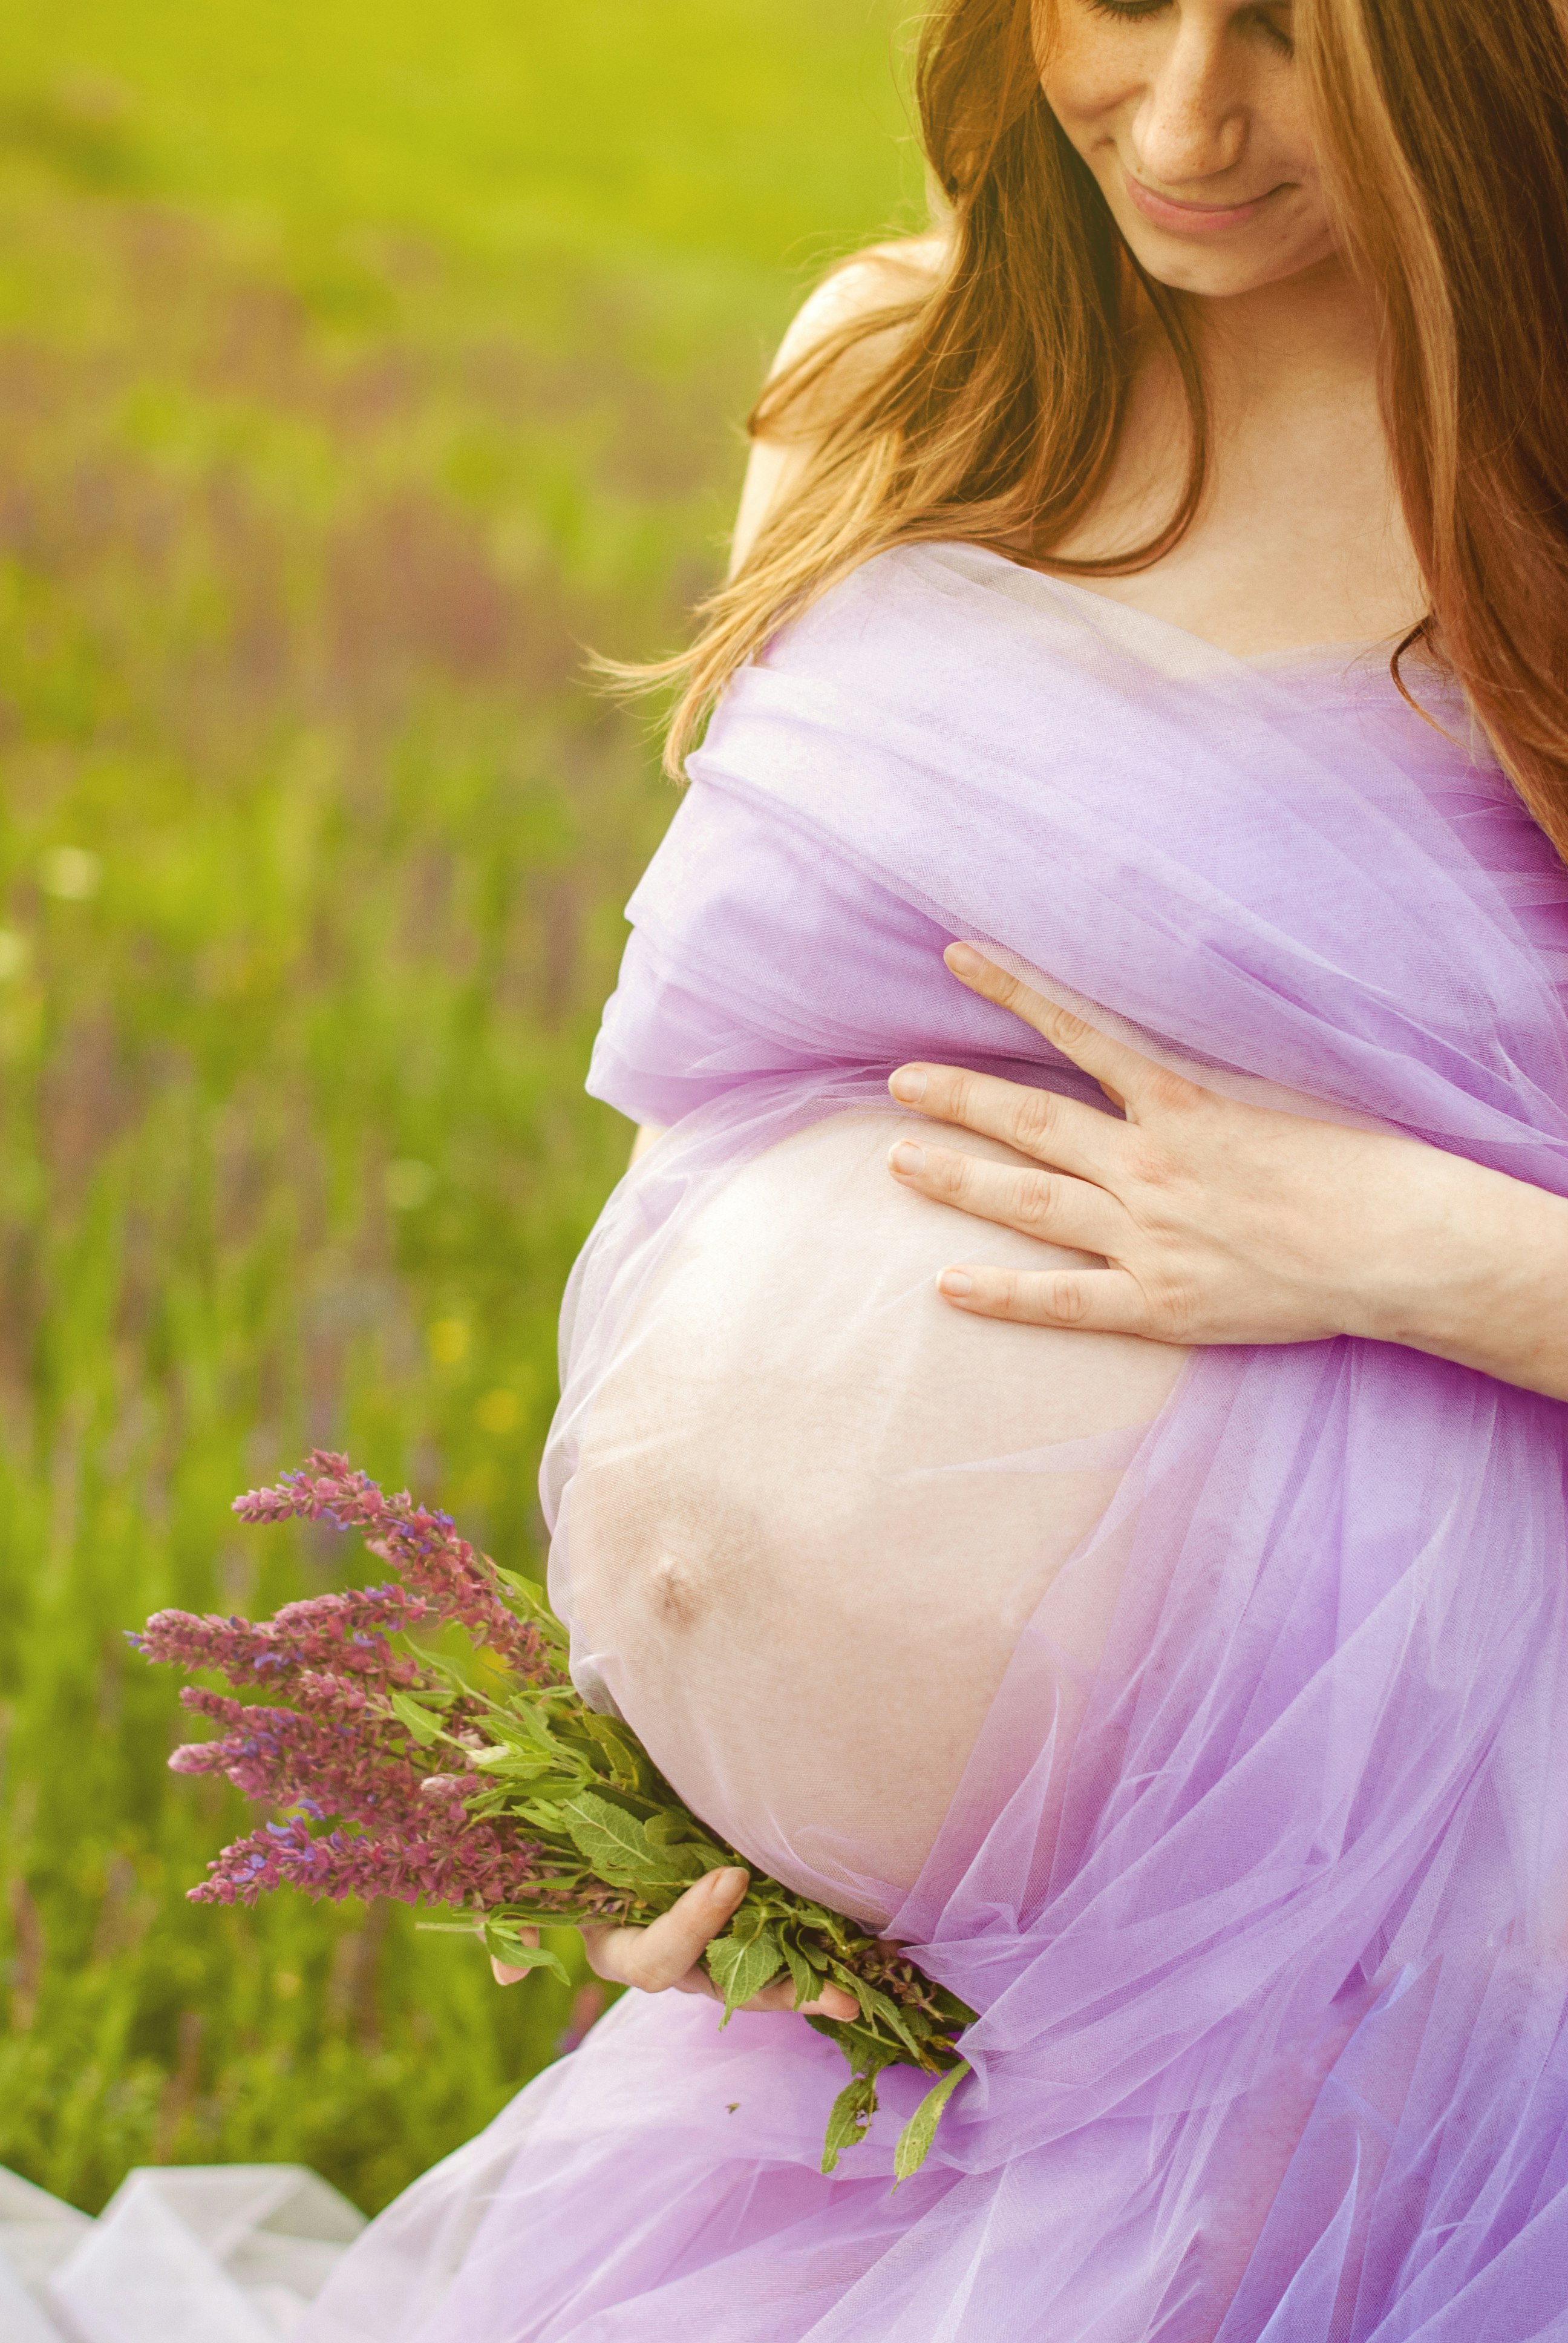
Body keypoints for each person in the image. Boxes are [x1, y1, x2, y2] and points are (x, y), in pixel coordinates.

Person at [304, 0, 1568, 2335]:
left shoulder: (1538, 471)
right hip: (833, 1975)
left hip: (1379, 1909)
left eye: (1298, 41)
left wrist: (1405, 1239)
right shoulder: (899, 374)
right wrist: (693, 1748)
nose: (1182, 117)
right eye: (1125, 3)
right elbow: (743, 1108)